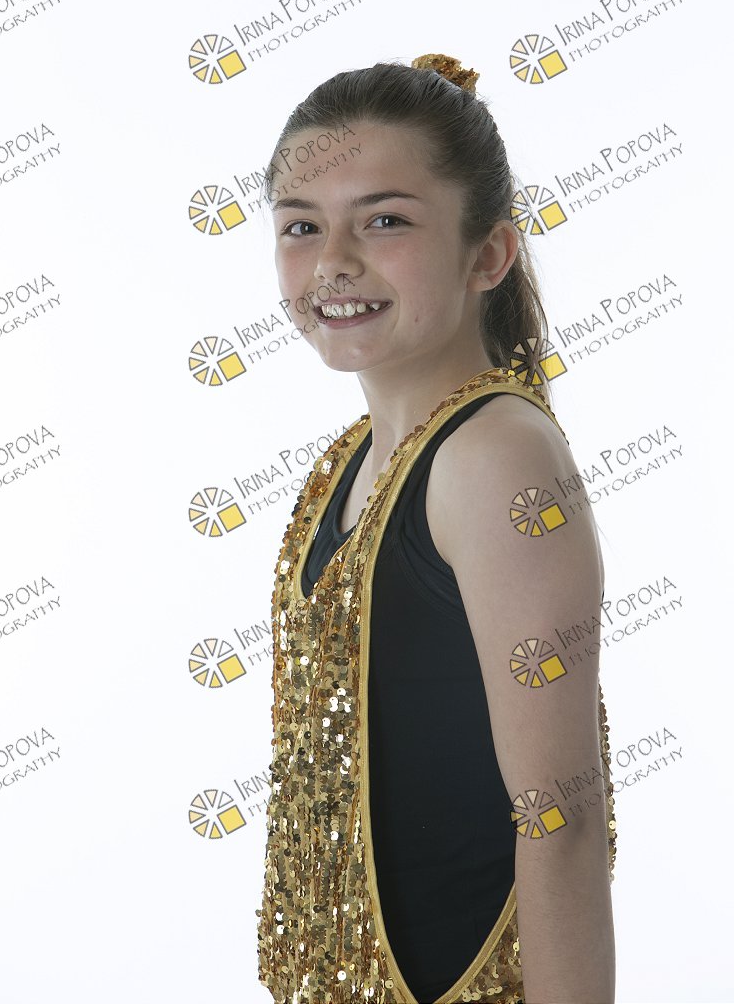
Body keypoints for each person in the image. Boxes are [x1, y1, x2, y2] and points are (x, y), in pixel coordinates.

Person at [254, 54, 617, 1004]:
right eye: (302, 226)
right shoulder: (352, 459)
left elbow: (563, 817)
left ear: (487, 255)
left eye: (385, 220)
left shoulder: (494, 456)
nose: (333, 260)